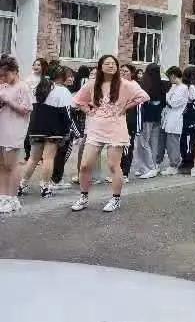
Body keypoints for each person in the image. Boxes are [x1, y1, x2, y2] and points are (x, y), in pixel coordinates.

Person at [70, 55, 149, 212]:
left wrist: (126, 107)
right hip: (96, 128)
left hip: (116, 128)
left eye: (114, 63)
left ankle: (115, 199)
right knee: (85, 165)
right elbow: (78, 101)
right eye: (107, 63)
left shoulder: (125, 84)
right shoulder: (93, 84)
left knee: (113, 165)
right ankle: (83, 197)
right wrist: (89, 111)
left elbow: (144, 96)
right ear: (101, 67)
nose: (111, 66)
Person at [19, 66, 76, 198]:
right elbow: (67, 113)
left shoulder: (38, 88)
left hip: (35, 127)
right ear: (61, 77)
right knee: (48, 158)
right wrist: (68, 130)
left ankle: (21, 185)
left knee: (33, 158)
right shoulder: (63, 91)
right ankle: (45, 187)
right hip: (53, 129)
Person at [0, 56, 33, 213]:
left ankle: (13, 198)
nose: (3, 78)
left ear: (14, 71)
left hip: (14, 130)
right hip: (3, 127)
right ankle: (3, 196)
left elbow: (26, 109)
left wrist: (8, 101)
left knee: (11, 165)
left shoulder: (23, 87)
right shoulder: (4, 86)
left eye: (5, 75)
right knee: (1, 165)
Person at [132, 64, 166, 179]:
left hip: (145, 118)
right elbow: (164, 102)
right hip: (157, 117)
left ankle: (148, 167)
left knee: (143, 142)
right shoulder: (162, 84)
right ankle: (153, 165)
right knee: (154, 143)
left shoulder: (145, 84)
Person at [160, 66, 189, 175]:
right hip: (169, 118)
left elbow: (173, 103)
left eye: (169, 77)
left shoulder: (183, 88)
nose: (169, 79)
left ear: (173, 75)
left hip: (176, 118)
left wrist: (167, 99)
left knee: (173, 144)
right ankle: (172, 164)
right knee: (169, 143)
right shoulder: (174, 87)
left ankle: (174, 165)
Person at [119, 64, 140, 183]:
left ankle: (125, 173)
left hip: (129, 120)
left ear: (132, 73)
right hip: (118, 120)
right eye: (121, 71)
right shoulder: (119, 84)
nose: (123, 73)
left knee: (127, 147)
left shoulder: (134, 85)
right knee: (118, 147)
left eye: (126, 71)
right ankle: (118, 172)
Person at [180, 66, 195, 174]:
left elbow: (194, 100)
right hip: (191, 118)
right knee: (189, 139)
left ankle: (187, 160)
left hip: (187, 118)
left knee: (187, 139)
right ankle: (188, 159)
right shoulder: (192, 86)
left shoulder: (188, 87)